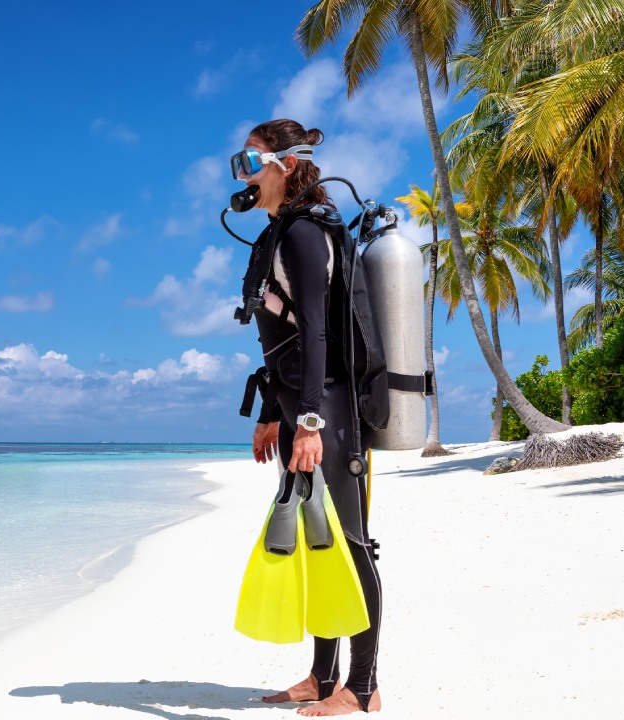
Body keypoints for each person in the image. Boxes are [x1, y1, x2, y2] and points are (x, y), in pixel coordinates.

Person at [234, 118, 383, 716]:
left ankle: (364, 687)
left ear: (285, 165)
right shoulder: (277, 234)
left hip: (330, 410)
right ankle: (324, 677)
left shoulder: (301, 235)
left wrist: (313, 424)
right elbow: (282, 340)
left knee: (348, 543)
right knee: (313, 540)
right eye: (239, 165)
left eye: (251, 162)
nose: (244, 176)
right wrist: (274, 414)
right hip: (300, 406)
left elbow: (318, 332)